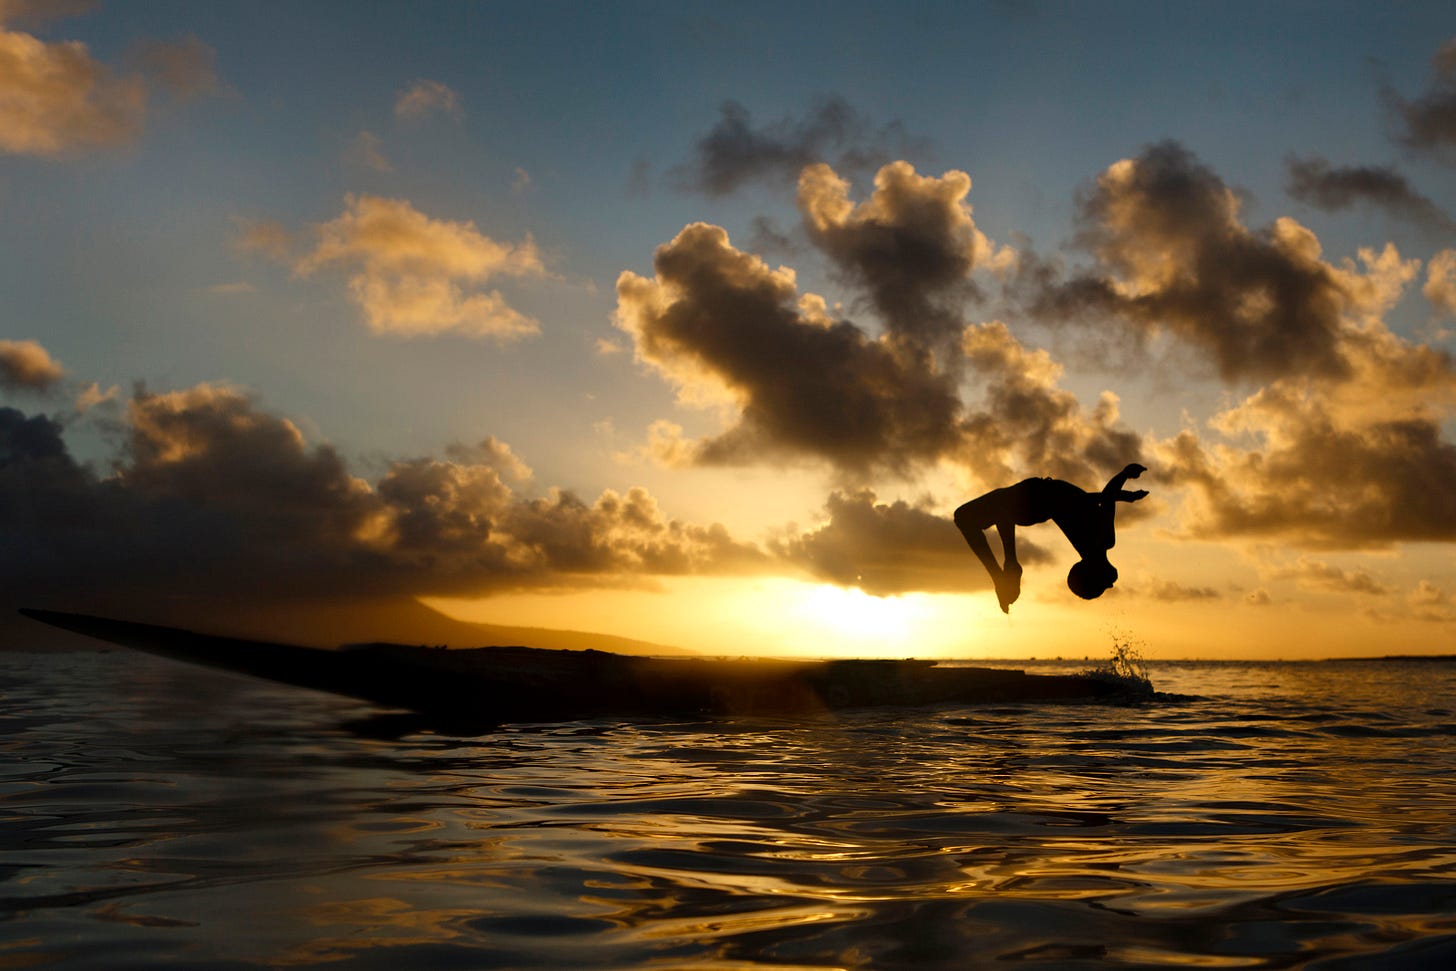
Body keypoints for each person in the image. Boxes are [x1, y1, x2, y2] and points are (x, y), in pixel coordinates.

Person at [953, 463, 1148, 613]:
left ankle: (1007, 567)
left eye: (1102, 586)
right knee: (972, 517)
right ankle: (1006, 568)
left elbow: (1083, 500)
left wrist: (1124, 477)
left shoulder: (1101, 541)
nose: (1111, 584)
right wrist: (1122, 490)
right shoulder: (1097, 542)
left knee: (974, 516)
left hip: (1037, 497)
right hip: (1038, 500)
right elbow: (1085, 500)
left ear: (1093, 572)